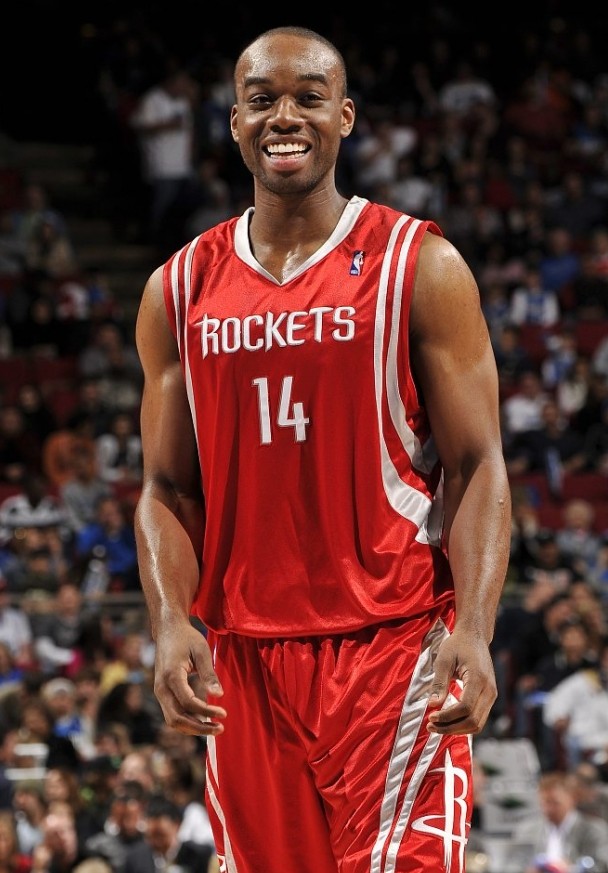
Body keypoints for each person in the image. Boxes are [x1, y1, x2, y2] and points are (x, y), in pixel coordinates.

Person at [133, 26, 511, 873]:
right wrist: (170, 621)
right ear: (234, 121)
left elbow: (479, 463)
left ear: (345, 116)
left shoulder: (421, 264)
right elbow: (164, 486)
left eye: (308, 97)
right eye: (261, 100)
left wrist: (477, 627)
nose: (284, 117)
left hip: (392, 646)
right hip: (245, 661)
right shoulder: (179, 288)